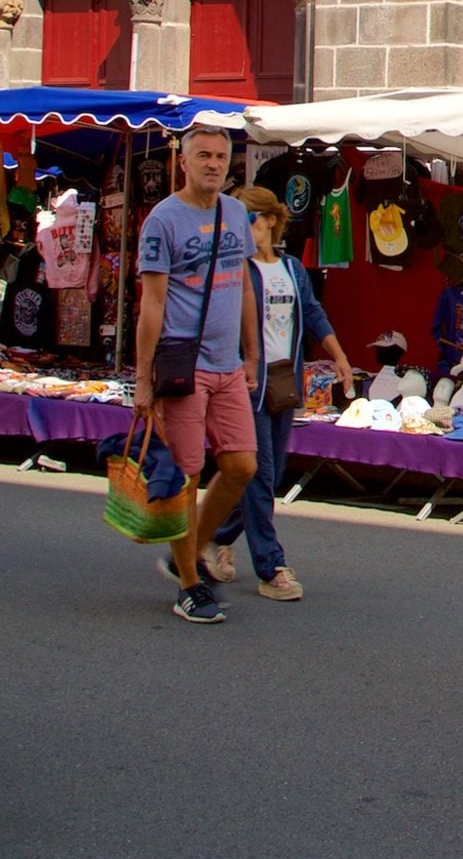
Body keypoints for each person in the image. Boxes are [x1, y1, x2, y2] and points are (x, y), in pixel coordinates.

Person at [136, 128, 261, 625]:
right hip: (183, 367)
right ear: (184, 163)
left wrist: (251, 354)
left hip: (228, 366)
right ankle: (189, 583)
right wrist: (143, 380)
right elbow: (152, 302)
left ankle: (192, 547)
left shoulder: (234, 212)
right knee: (185, 476)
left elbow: (246, 287)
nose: (213, 164)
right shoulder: (162, 220)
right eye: (203, 156)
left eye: (221, 156)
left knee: (241, 467)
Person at [205, 184, 351, 603]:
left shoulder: (291, 269)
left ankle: (215, 535)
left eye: (251, 218)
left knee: (264, 474)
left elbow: (313, 313)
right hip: (245, 384)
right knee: (261, 473)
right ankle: (271, 566)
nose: (245, 228)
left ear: (270, 219)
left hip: (284, 382)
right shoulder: (235, 270)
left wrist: (339, 357)